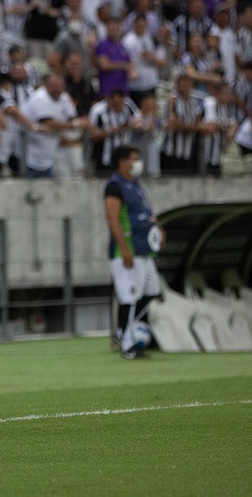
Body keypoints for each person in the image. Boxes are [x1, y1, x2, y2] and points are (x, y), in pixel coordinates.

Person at [103, 144, 164, 360]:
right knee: (129, 298)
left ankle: (122, 331)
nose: (137, 163)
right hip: (127, 253)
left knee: (151, 292)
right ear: (122, 162)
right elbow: (113, 220)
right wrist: (124, 249)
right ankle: (128, 346)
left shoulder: (136, 185)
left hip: (145, 251)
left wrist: (158, 231)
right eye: (134, 158)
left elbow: (148, 214)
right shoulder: (114, 187)